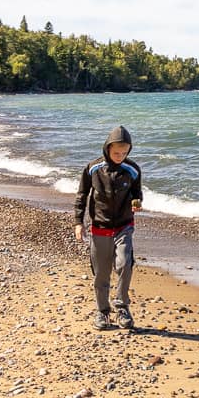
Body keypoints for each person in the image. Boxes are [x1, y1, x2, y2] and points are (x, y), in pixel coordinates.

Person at [74, 125, 143, 329]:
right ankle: (102, 312)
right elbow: (81, 196)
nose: (120, 156)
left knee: (124, 264)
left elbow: (137, 192)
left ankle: (122, 307)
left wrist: (137, 202)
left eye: (124, 152)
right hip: (100, 227)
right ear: (107, 148)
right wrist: (79, 222)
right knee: (101, 272)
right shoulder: (92, 168)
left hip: (124, 226)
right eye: (116, 153)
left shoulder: (133, 169)